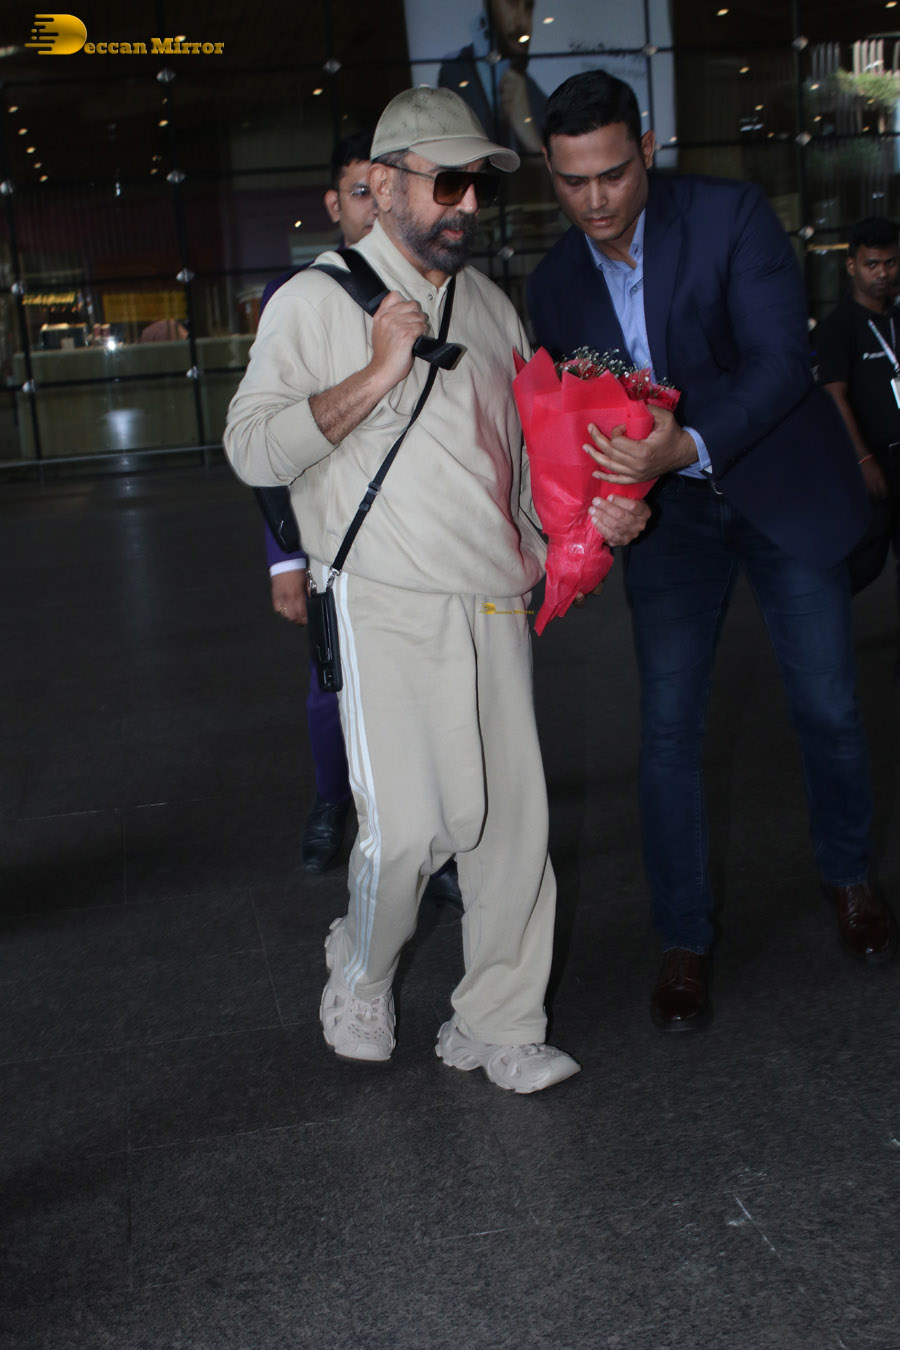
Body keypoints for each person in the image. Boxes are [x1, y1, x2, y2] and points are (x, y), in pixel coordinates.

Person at [225, 86, 648, 1090]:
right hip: (382, 595)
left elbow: (518, 470)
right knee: (411, 829)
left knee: (512, 830)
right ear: (382, 185)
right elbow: (250, 448)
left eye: (477, 187)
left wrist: (588, 525)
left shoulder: (492, 308)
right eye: (446, 183)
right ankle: (360, 968)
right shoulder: (314, 302)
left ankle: (496, 1021)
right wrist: (377, 373)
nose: (466, 205)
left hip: (494, 596)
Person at [527, 70, 897, 1034]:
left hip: (775, 483)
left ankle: (849, 876)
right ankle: (683, 935)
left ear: (646, 150)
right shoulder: (555, 285)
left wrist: (685, 445)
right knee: (665, 729)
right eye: (572, 182)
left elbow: (779, 363)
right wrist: (607, 503)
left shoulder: (730, 217)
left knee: (827, 705)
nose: (595, 201)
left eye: (613, 173)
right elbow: (577, 416)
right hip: (671, 522)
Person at [261, 130, 375, 874]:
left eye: (387, 189)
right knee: (329, 683)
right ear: (334, 204)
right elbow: (269, 435)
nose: (376, 207)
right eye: (361, 192)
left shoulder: (443, 292)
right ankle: (333, 798)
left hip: (421, 529)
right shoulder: (296, 298)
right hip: (332, 530)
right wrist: (284, 558)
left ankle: (435, 839)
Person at [817, 216, 900, 680]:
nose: (882, 273)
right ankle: (813, 628)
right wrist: (863, 459)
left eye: (890, 262)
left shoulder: (897, 317)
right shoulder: (840, 325)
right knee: (865, 559)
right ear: (852, 266)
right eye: (872, 264)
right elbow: (834, 395)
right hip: (871, 459)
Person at [439, 0, 546, 154]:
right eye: (512, 3)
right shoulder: (455, 72)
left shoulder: (534, 94)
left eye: (528, 8)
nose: (522, 22)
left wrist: (528, 134)